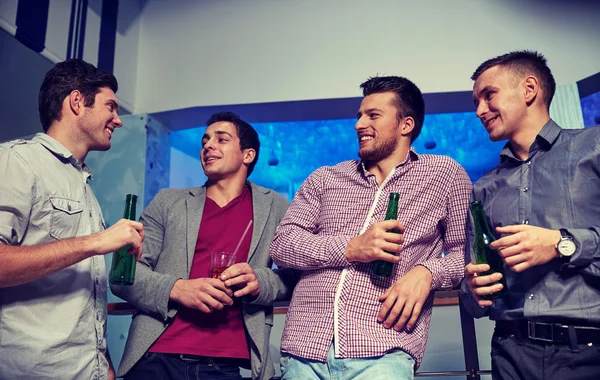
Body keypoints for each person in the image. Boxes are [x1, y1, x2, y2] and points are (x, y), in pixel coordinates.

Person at [270, 76, 472, 379]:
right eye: (359, 116)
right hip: (303, 352)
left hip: (383, 351)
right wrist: (350, 248)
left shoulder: (444, 174)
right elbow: (282, 244)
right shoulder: (325, 178)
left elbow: (468, 254)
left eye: (373, 115)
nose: (359, 124)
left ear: (405, 124)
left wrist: (429, 272)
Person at [112, 112, 297, 380]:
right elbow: (123, 276)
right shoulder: (168, 202)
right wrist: (177, 289)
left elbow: (295, 277)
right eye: (205, 141)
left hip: (227, 365)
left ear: (248, 155)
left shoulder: (276, 208)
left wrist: (259, 282)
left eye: (221, 139)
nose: (208, 145)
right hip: (155, 356)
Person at [0, 59, 144, 380]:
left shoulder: (85, 188)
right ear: (77, 102)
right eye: (111, 107)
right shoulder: (17, 161)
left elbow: (81, 293)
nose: (118, 120)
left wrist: (102, 362)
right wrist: (95, 243)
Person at [460, 50, 600, 380]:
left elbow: (566, 245)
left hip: (589, 353)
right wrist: (473, 291)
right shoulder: (484, 188)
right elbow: (473, 301)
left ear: (529, 89)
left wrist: (563, 243)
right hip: (509, 354)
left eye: (489, 95)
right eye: (476, 101)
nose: (480, 110)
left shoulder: (594, 148)